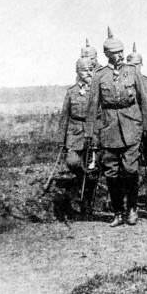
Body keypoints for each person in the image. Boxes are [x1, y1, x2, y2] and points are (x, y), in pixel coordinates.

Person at [84, 28, 147, 227]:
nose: (120, 56)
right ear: (106, 55)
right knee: (111, 172)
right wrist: (90, 133)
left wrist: (146, 126)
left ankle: (132, 208)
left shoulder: (132, 71)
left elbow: (143, 100)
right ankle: (117, 212)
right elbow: (92, 105)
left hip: (131, 125)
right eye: (115, 53)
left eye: (121, 52)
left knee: (130, 170)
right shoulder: (99, 76)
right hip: (109, 128)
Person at [59, 57, 98, 216]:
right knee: (73, 162)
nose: (87, 73)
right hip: (74, 134)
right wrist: (61, 142)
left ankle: (87, 203)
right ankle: (79, 180)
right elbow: (64, 117)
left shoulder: (98, 90)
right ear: (77, 72)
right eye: (84, 70)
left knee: (93, 170)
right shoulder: (71, 92)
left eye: (90, 69)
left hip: (94, 133)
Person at [127, 43, 147, 192]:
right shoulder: (125, 83)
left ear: (141, 64)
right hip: (129, 126)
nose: (135, 68)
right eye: (131, 65)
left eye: (137, 64)